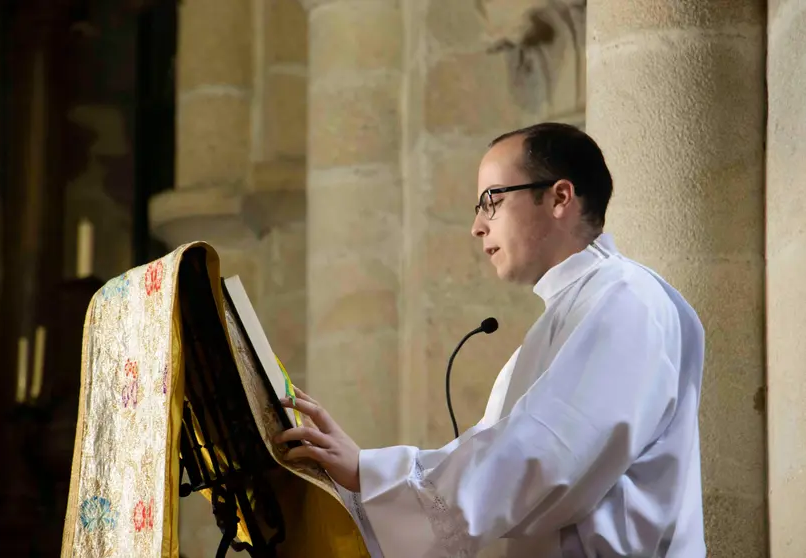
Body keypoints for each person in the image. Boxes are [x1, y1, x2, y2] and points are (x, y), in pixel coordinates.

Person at [274, 122, 706, 557]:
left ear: (559, 197)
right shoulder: (567, 320)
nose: (477, 226)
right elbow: (496, 456)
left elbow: (542, 456)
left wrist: (369, 473)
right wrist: (353, 479)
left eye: (490, 202)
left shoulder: (627, 299)